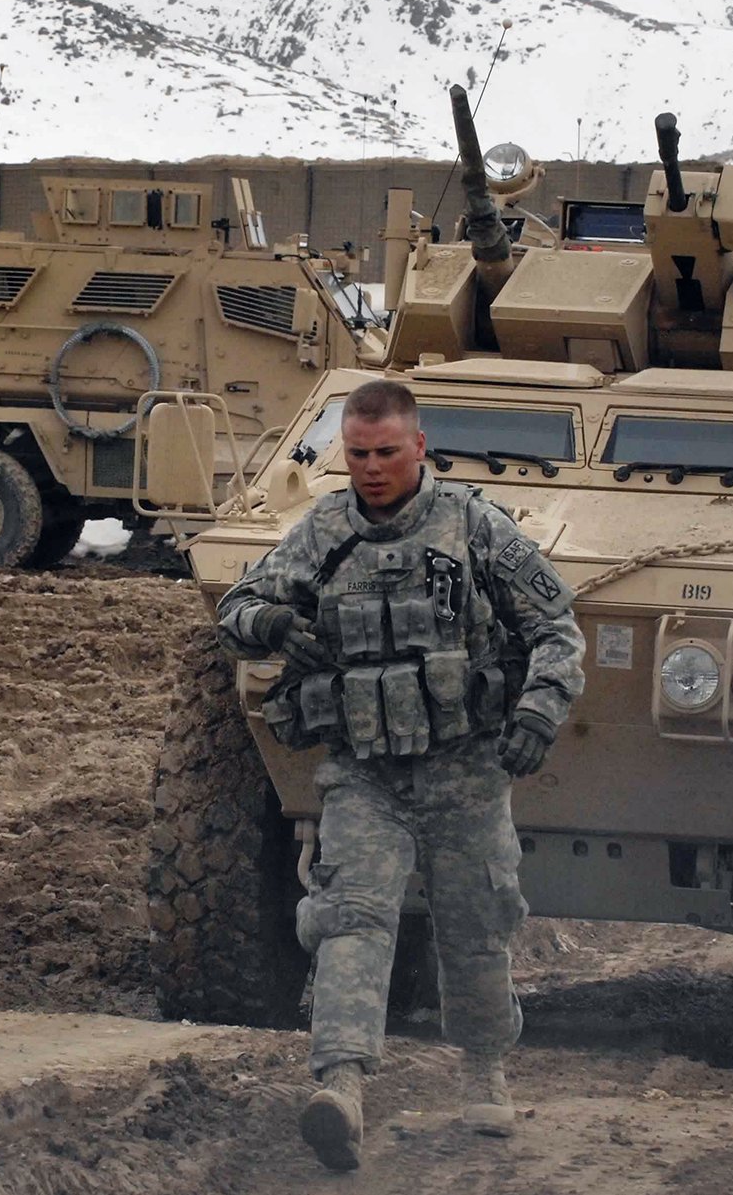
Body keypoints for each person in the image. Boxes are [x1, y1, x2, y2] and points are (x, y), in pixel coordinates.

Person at [215, 378, 585, 1171]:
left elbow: (556, 626)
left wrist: (537, 714)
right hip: (365, 771)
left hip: (465, 767)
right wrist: (274, 619)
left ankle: (484, 1067)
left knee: (476, 922)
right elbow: (236, 611)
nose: (372, 468)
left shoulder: (475, 526)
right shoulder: (321, 532)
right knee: (350, 916)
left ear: (419, 446)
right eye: (357, 455)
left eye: (387, 452)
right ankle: (341, 1086)